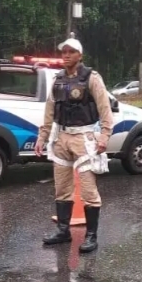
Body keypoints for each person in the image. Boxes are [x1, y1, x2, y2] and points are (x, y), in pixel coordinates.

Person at [35, 37, 114, 253]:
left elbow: (105, 108)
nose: (66, 55)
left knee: (88, 190)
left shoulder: (92, 78)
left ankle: (91, 236)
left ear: (80, 55)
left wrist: (105, 136)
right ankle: (63, 230)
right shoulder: (58, 80)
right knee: (62, 187)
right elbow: (49, 111)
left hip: (84, 138)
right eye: (64, 52)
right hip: (61, 138)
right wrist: (42, 137)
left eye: (71, 52)